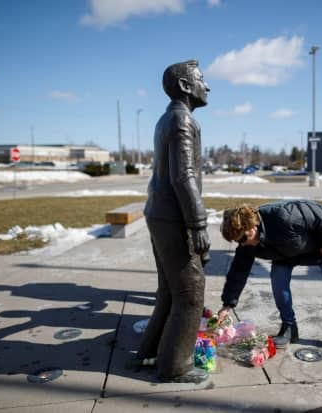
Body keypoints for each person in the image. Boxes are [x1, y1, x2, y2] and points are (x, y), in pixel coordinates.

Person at [136, 60, 211, 384]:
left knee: (169, 291)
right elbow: (184, 176)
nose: (206, 86)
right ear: (184, 85)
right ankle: (174, 365)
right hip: (173, 217)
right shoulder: (182, 119)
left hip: (159, 212)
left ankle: (149, 351)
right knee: (191, 295)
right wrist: (198, 225)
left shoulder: (167, 118)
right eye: (201, 79)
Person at [217, 200, 322, 356]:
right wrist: (227, 305)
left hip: (320, 247)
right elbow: (238, 271)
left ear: (252, 226)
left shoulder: (283, 215)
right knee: (278, 280)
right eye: (238, 241)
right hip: (286, 252)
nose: (242, 243)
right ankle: (289, 327)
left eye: (243, 238)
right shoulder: (248, 245)